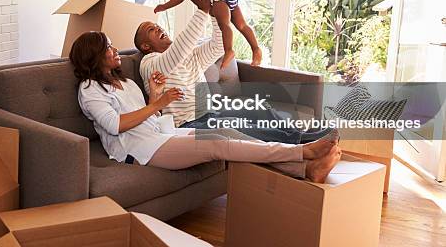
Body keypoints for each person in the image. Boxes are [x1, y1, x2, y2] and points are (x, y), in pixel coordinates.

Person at [70, 30, 341, 183]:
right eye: (108, 46)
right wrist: (159, 104)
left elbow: (148, 117)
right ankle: (301, 151)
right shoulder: (90, 90)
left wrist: (154, 96)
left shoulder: (125, 82)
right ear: (94, 56)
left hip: (159, 135)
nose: (115, 48)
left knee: (229, 135)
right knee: (216, 144)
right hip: (138, 150)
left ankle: (305, 169)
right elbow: (116, 125)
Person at [137, 0, 334, 144]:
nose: (158, 28)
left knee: (260, 109)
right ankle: (304, 141)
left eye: (157, 25)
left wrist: (214, 11)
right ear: (146, 46)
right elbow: (175, 54)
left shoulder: (189, 55)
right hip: (186, 125)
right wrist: (202, 11)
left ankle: (302, 136)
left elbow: (218, 46)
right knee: (239, 127)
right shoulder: (150, 63)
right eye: (151, 30)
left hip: (211, 112)